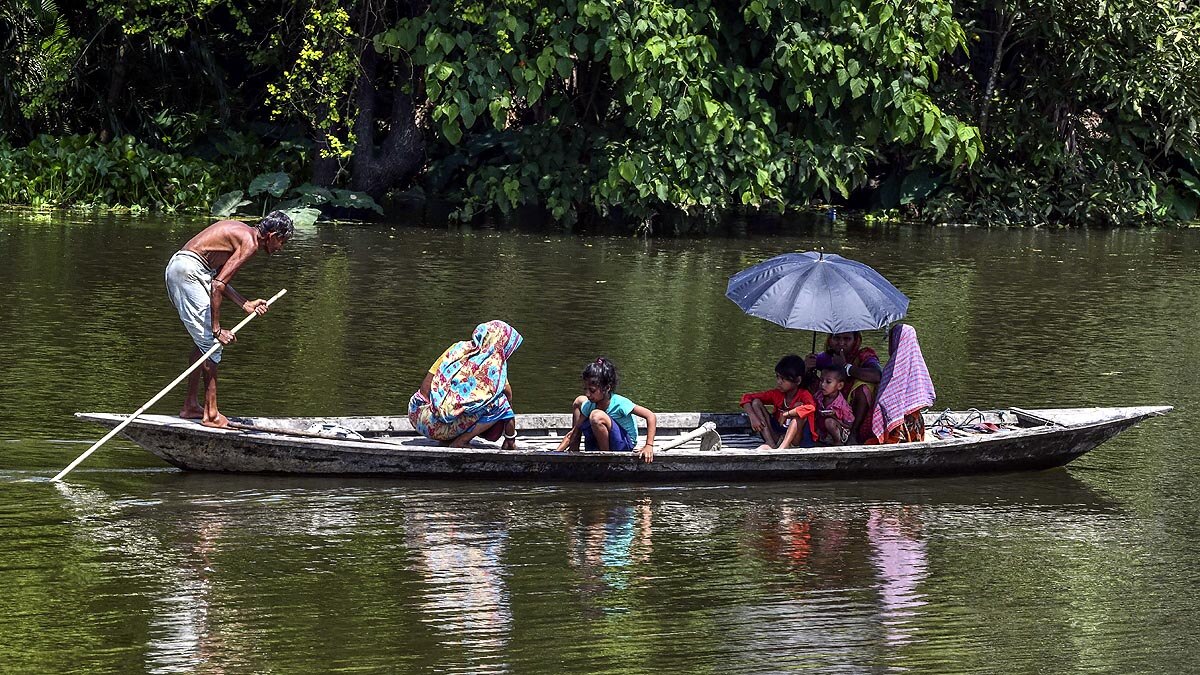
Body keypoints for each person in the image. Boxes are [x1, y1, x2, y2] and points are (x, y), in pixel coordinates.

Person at [165, 210, 293, 428]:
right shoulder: (250, 243)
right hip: (189, 271)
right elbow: (217, 286)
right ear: (271, 236)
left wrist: (245, 303)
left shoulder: (246, 234)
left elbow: (217, 280)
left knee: (202, 343)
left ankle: (190, 406)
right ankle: (211, 414)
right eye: (281, 241)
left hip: (185, 268)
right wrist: (217, 330)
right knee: (212, 344)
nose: (280, 248)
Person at [408, 320, 523, 449]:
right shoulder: (492, 367)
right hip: (435, 425)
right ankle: (461, 441)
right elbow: (508, 400)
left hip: (416, 413)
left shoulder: (458, 348)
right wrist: (510, 437)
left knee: (462, 403)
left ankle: (448, 438)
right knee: (500, 403)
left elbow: (429, 383)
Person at [555, 357, 658, 463]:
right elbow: (574, 433)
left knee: (596, 416)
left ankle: (605, 459)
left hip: (623, 444)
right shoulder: (590, 404)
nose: (588, 394)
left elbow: (650, 416)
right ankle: (574, 450)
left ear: (607, 388)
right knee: (580, 401)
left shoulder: (620, 403)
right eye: (585, 389)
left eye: (592, 390)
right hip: (601, 440)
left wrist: (649, 445)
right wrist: (555, 454)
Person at [807, 331, 882, 443]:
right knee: (810, 380)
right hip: (830, 403)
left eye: (847, 339)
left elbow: (877, 375)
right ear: (830, 340)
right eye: (837, 338)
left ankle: (854, 433)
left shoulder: (864, 355)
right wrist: (806, 367)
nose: (841, 343)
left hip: (853, 408)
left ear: (855, 340)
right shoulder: (827, 357)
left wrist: (846, 367)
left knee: (864, 387)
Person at [870, 324, 935, 444]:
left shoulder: (895, 366)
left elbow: (885, 401)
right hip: (916, 422)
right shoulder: (918, 364)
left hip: (900, 426)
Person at [739, 354, 818, 450]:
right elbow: (747, 397)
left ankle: (783, 447)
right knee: (756, 402)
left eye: (783, 379)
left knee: (800, 411)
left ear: (797, 380)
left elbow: (811, 407)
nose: (779, 382)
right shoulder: (776, 394)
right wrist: (752, 417)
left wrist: (787, 414)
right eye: (778, 377)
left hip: (796, 441)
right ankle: (770, 443)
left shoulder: (804, 394)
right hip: (777, 434)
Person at [814, 367, 856, 445]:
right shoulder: (819, 396)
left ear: (839, 386)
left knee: (829, 422)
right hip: (823, 431)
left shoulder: (842, 405)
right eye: (821, 380)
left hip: (841, 431)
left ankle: (838, 443)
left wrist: (834, 417)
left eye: (828, 382)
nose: (823, 385)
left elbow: (849, 426)